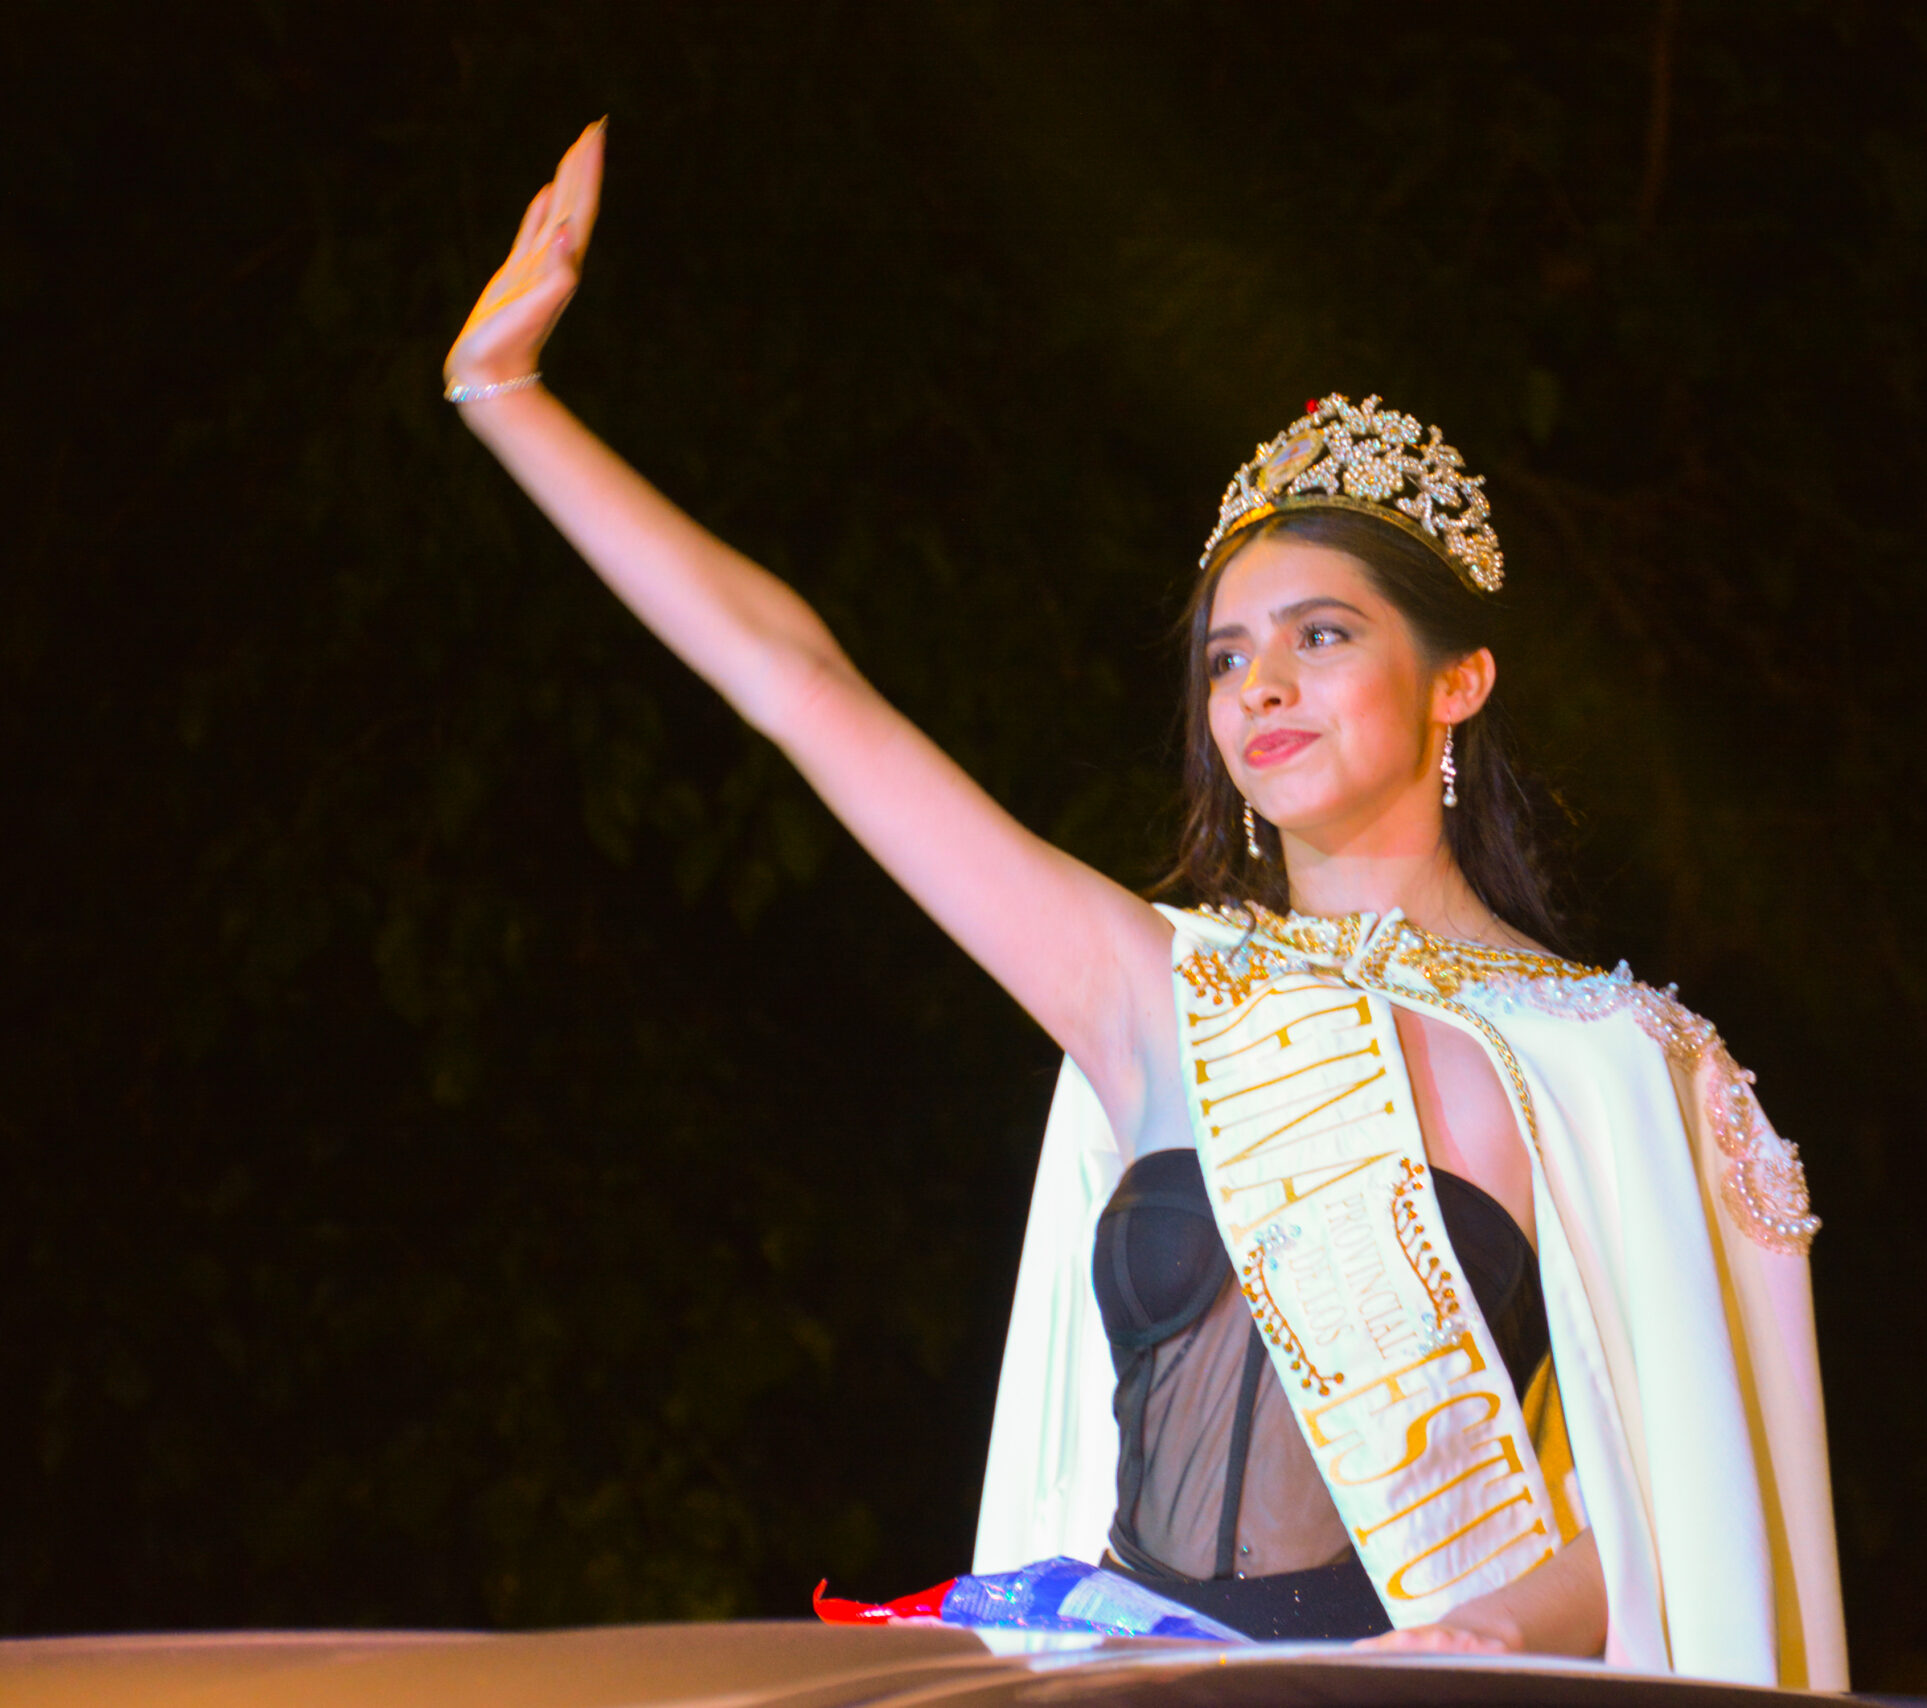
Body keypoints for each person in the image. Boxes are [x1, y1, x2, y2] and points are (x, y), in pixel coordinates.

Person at [444, 123, 1845, 1685]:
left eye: (1322, 635)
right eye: (1228, 656)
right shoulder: (1157, 986)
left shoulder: (1617, 1062)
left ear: (1457, 680)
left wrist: (1485, 1633)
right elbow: (802, 687)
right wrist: (508, 399)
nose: (1262, 685)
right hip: (1132, 1674)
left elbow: (1675, 1528)